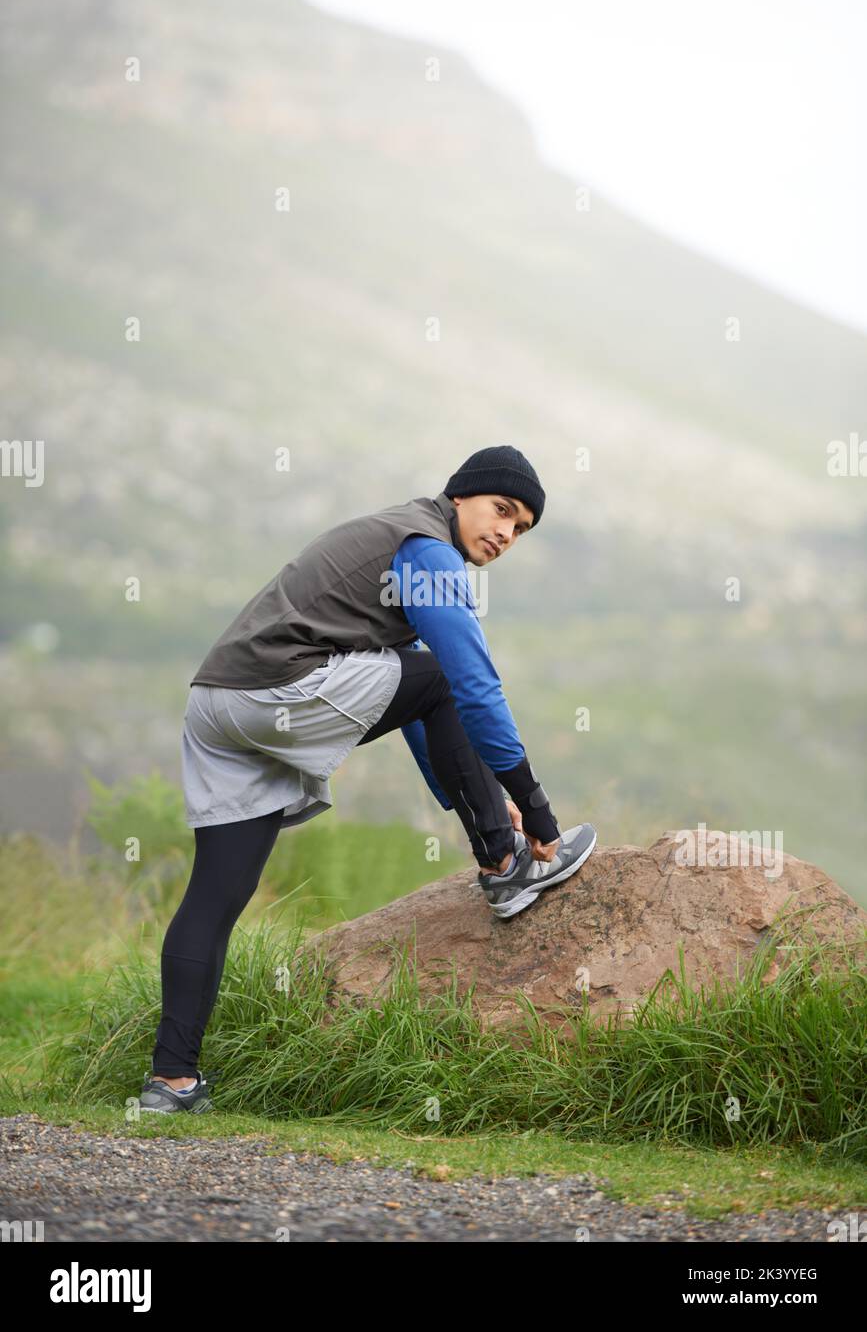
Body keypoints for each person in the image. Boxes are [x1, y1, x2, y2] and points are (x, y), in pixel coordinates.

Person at [139, 445, 596, 1113]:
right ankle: (505, 867)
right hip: (275, 695)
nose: (506, 532)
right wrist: (536, 811)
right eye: (501, 510)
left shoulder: (399, 537)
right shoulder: (426, 548)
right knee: (445, 676)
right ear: (460, 496)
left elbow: (412, 695)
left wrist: (486, 796)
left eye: (521, 527)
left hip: (217, 704)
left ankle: (170, 1082)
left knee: (215, 899)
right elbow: (468, 686)